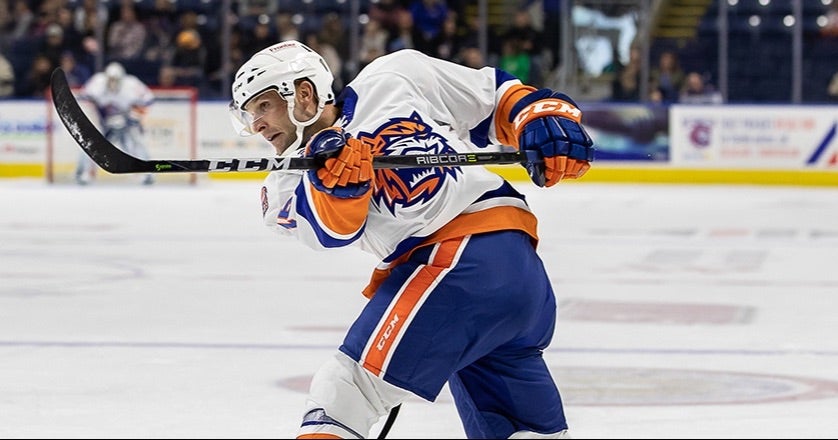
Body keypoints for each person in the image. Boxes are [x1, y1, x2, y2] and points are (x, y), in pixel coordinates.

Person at [228, 40, 594, 438]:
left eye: (263, 105)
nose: (256, 124)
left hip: (459, 267)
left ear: (303, 93)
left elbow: (493, 97)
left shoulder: (394, 76)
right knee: (520, 428)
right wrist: (337, 188)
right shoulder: (283, 185)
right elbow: (333, 232)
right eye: (249, 114)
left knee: (345, 395)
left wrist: (537, 117)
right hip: (509, 279)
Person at [74, 62, 155, 185]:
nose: (112, 83)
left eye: (115, 80)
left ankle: (146, 172)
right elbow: (83, 99)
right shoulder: (97, 83)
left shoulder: (131, 85)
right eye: (110, 80)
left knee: (136, 141)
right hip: (101, 117)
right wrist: (95, 119)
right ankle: (83, 173)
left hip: (125, 117)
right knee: (89, 142)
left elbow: (148, 100)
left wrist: (134, 115)